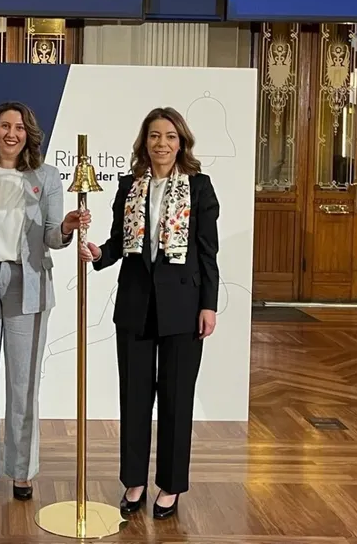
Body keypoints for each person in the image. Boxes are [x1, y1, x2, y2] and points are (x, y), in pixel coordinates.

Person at [0, 102, 90, 503]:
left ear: (29, 134)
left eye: (20, 127)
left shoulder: (47, 177)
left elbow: (53, 238)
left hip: (28, 286)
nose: (12, 133)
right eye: (5, 125)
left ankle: (22, 471)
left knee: (24, 386)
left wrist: (66, 227)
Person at [80, 106, 219, 520]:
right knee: (135, 397)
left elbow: (208, 253)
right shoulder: (129, 186)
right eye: (155, 136)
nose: (162, 144)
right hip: (136, 306)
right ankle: (134, 481)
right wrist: (99, 254)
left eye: (170, 137)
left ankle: (171, 486)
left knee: (177, 400)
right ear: (145, 142)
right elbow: (119, 242)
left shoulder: (200, 187)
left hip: (183, 307)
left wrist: (208, 305)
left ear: (182, 143)